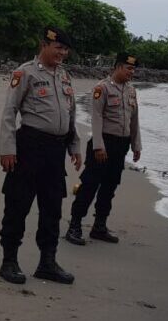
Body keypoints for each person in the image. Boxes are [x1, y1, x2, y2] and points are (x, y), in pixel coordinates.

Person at [0, 26, 82, 285]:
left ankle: (47, 263)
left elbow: (70, 114)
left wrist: (74, 146)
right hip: (29, 148)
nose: (62, 53)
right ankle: (9, 261)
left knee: (52, 209)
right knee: (18, 205)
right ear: (44, 45)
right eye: (58, 48)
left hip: (55, 152)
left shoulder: (64, 77)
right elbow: (9, 112)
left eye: (66, 50)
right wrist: (7, 149)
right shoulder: (25, 73)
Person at [65, 52, 142, 245]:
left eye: (133, 69)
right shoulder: (102, 88)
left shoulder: (131, 91)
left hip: (121, 145)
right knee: (89, 185)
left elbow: (134, 120)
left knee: (110, 186)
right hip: (103, 143)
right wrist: (99, 146)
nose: (131, 72)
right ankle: (74, 225)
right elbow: (97, 118)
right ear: (118, 67)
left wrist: (136, 145)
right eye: (128, 68)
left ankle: (99, 226)